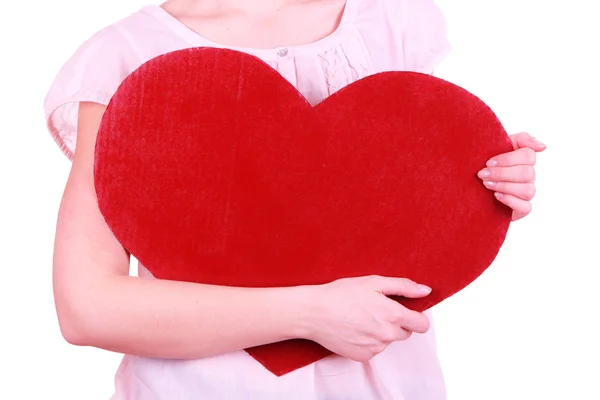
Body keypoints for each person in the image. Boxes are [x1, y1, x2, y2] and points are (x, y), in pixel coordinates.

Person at [43, 0, 546, 398]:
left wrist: (486, 189)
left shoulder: (393, 21)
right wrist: (309, 314)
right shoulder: (128, 52)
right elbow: (88, 307)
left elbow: (391, 208)